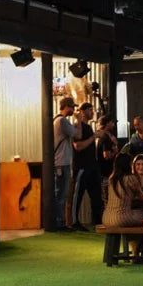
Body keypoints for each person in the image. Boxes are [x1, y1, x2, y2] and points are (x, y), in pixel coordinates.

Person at [50, 96, 82, 231]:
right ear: (67, 107)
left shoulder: (57, 120)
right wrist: (79, 121)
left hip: (60, 162)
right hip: (62, 162)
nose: (74, 110)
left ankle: (59, 221)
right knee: (62, 194)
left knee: (60, 193)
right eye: (72, 107)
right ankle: (60, 222)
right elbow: (78, 135)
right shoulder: (62, 121)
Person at [70, 102, 101, 230]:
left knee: (96, 195)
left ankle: (98, 221)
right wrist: (94, 137)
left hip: (92, 166)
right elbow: (78, 146)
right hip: (82, 166)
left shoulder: (88, 127)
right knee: (78, 195)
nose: (92, 112)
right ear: (82, 112)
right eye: (89, 109)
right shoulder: (78, 127)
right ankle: (74, 221)